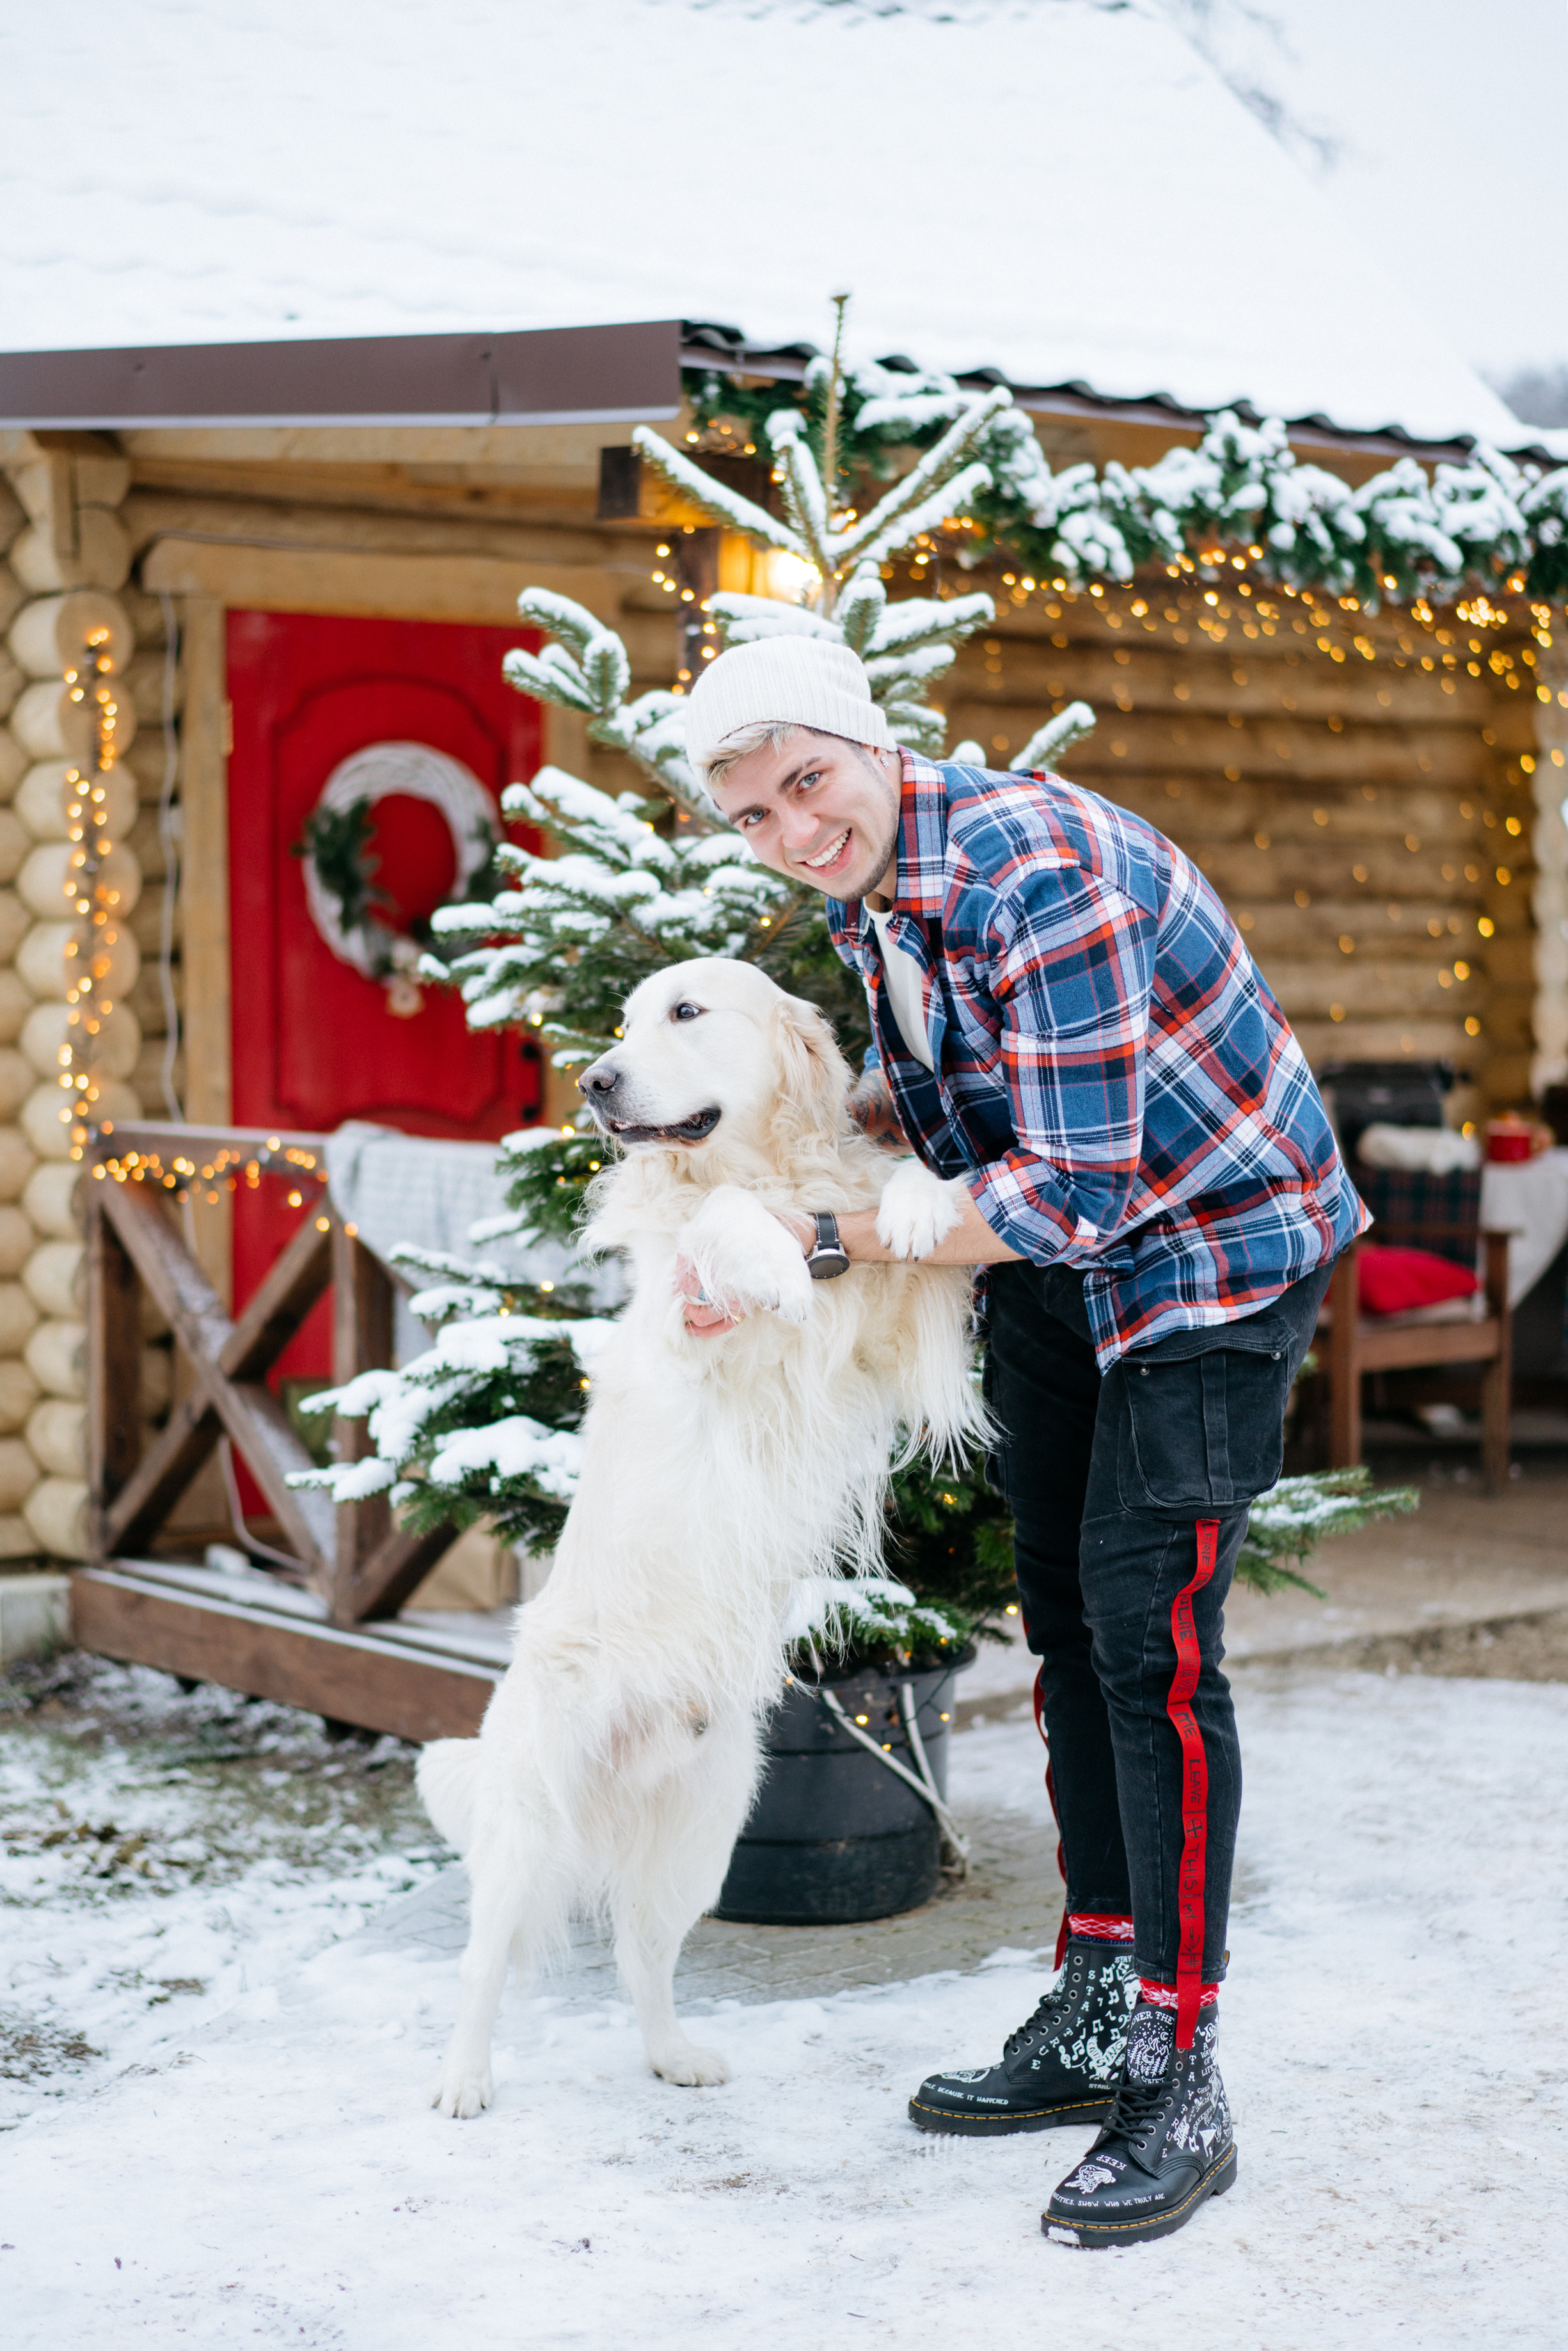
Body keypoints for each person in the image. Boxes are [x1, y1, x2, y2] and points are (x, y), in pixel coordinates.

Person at [676, 633, 1365, 2247]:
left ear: (866, 745)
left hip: (1207, 1253)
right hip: (1065, 1266)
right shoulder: (875, 894)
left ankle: (1178, 2066)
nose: (791, 830)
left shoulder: (1030, 872)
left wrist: (821, 1244)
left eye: (806, 782)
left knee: (1152, 1648)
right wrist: (785, 1131)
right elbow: (964, 1096)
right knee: (1061, 1620)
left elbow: (1073, 1182)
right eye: (752, 812)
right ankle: (1097, 1984)